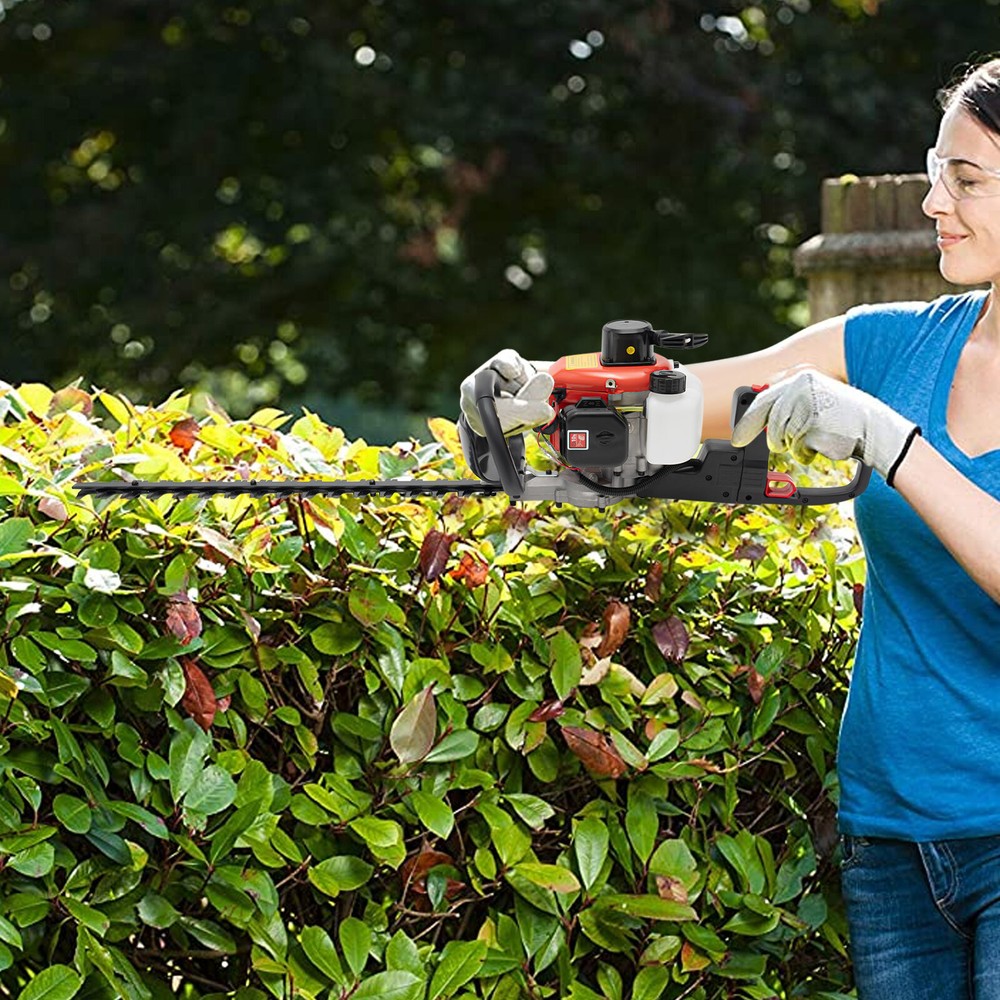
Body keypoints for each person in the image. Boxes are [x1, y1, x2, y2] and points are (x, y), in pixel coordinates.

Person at [459, 58, 1000, 999]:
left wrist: (892, 440)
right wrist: (543, 390)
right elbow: (701, 393)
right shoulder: (894, 342)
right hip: (893, 839)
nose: (932, 202)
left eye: (967, 178)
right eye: (932, 170)